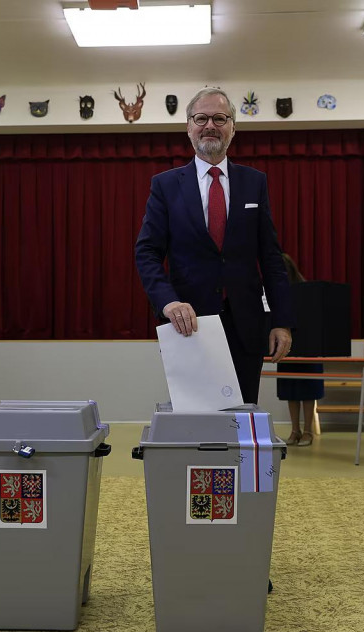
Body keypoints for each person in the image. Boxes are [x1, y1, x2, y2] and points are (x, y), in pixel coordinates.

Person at [135, 86, 295, 405]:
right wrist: (168, 302)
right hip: (189, 326)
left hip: (246, 326)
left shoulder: (254, 182)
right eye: (201, 118)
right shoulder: (165, 186)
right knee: (197, 425)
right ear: (189, 127)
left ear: (233, 127)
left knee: (241, 417)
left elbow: (271, 258)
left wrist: (282, 321)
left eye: (219, 118)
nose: (210, 125)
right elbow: (147, 252)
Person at [276, 255, 323, 446]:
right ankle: (295, 430)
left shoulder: (306, 290)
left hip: (308, 348)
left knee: (308, 390)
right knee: (291, 390)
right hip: (288, 348)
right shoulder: (278, 292)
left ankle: (308, 431)